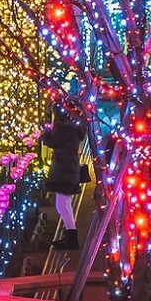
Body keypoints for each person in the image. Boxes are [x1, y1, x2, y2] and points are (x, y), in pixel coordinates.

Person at [44, 106, 88, 247]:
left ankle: (71, 237)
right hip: (68, 169)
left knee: (62, 205)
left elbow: (52, 142)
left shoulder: (67, 130)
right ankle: (69, 235)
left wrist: (44, 134)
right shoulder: (73, 129)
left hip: (65, 170)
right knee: (65, 204)